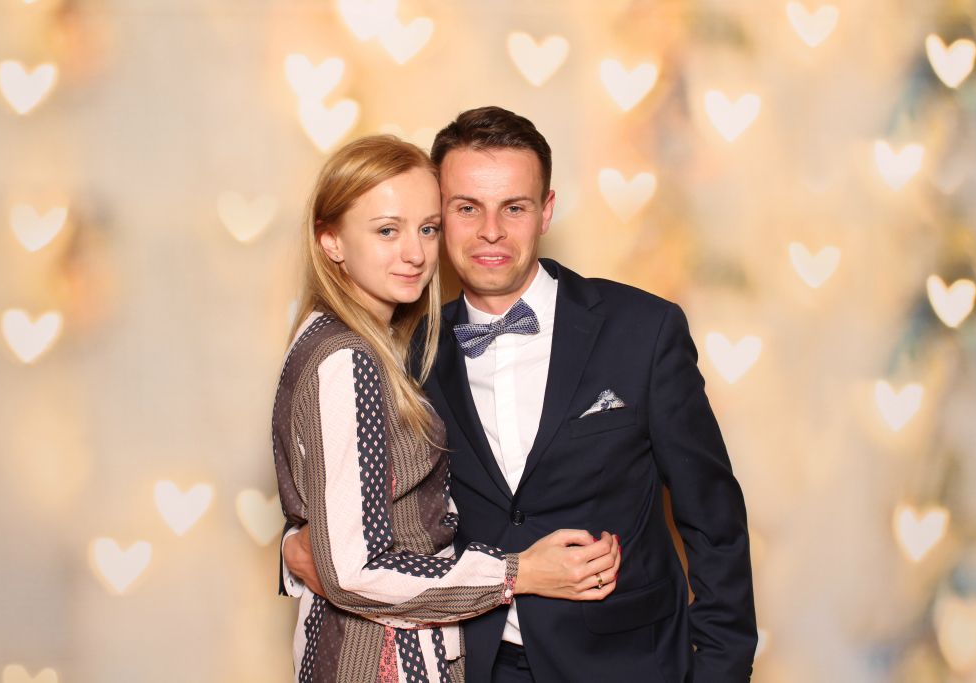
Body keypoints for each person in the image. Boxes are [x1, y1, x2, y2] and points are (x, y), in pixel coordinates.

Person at [285, 109, 757, 682]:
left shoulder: (642, 330)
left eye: (514, 207)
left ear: (546, 211)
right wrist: (294, 544)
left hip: (627, 663)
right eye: (466, 208)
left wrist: (719, 671)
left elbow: (714, 517)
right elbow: (342, 489)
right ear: (440, 215)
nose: (491, 231)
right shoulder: (404, 352)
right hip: (472, 664)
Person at [272, 135, 621, 683]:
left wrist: (298, 541)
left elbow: (332, 502)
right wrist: (519, 573)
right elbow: (355, 570)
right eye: (387, 230)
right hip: (383, 661)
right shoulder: (349, 359)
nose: (415, 254)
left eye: (428, 228)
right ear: (331, 240)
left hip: (383, 650)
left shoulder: (345, 339)